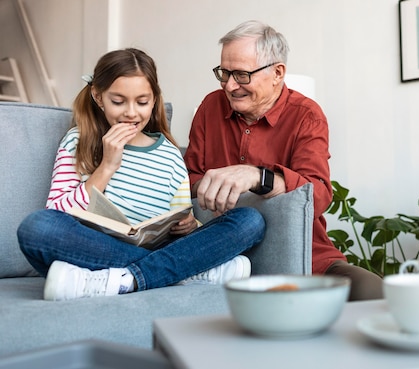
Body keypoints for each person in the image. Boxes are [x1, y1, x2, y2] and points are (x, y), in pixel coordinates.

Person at [17, 48, 266, 301]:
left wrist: (189, 225)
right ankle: (180, 275)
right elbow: (56, 212)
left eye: (142, 102)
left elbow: (183, 226)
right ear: (98, 97)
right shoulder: (78, 141)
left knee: (249, 220)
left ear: (154, 99)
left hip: (157, 247)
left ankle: (118, 280)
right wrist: (107, 166)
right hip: (95, 249)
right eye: (118, 101)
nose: (131, 113)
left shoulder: (169, 156)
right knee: (37, 227)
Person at [184, 20, 383, 301]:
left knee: (375, 293)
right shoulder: (209, 107)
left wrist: (257, 176)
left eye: (241, 75)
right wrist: (212, 185)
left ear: (277, 73)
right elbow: (186, 182)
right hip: (221, 255)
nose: (229, 86)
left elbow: (318, 195)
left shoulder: (306, 115)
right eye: (224, 73)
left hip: (306, 256)